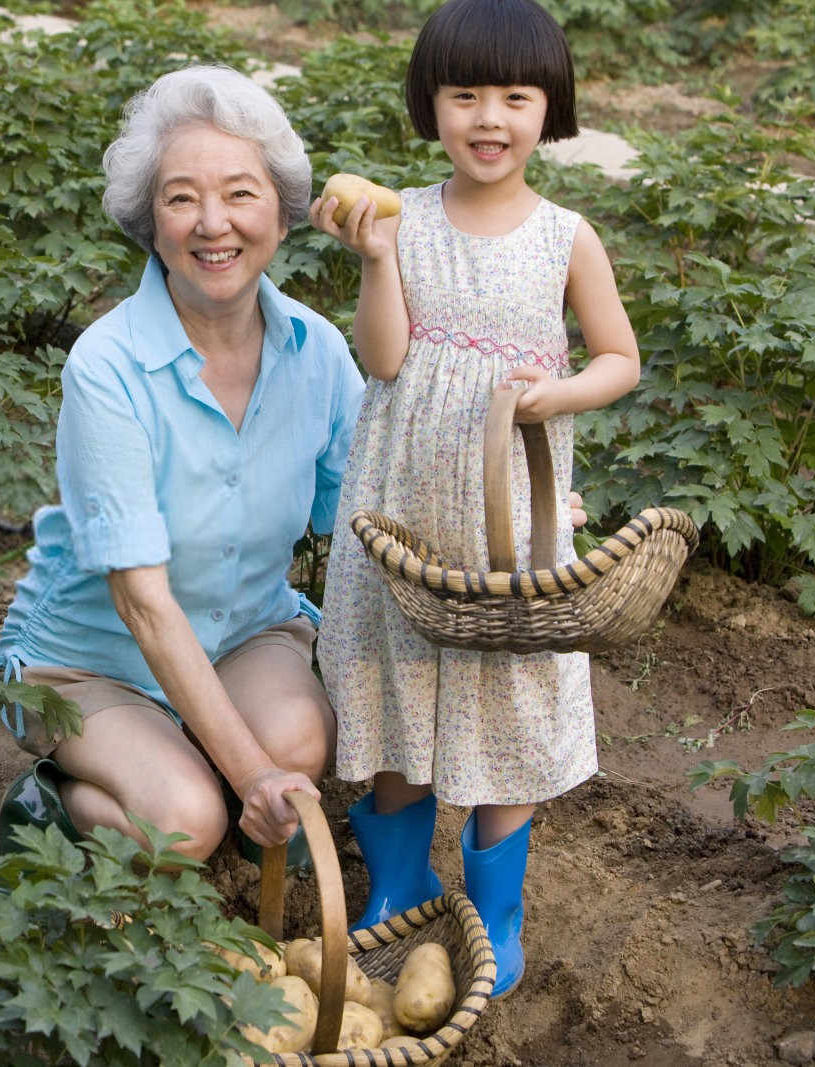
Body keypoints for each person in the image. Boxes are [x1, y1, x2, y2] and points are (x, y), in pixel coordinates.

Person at [311, 0, 640, 998]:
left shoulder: (564, 236)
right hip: (403, 503)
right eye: (464, 95)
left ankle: (497, 909)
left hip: (508, 507)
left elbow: (618, 357)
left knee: (505, 694)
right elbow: (382, 359)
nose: (488, 118)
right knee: (396, 679)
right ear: (431, 105)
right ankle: (396, 891)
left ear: (550, 110)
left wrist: (560, 391)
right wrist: (374, 261)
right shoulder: (401, 217)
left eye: (514, 96)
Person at [0, 66, 364, 863]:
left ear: (282, 212)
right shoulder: (108, 366)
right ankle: (57, 803)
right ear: (149, 221)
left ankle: (202, 749)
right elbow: (143, 604)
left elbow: (373, 510)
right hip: (92, 660)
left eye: (240, 193)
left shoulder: (318, 353)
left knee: (299, 742)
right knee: (189, 822)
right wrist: (249, 773)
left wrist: (527, 514)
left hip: (242, 627)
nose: (212, 223)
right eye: (181, 197)